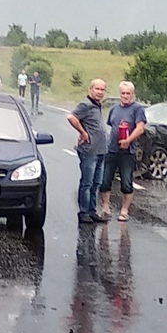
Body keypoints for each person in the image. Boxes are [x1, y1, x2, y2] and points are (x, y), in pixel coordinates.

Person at [68, 78, 112, 224]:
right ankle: (83, 212)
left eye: (102, 89)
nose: (100, 92)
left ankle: (92, 211)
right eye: (97, 89)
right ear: (90, 89)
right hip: (89, 150)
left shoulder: (97, 105)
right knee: (87, 183)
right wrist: (83, 132)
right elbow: (71, 117)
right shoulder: (85, 105)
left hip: (100, 150)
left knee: (96, 183)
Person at [106, 81, 148, 221]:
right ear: (120, 94)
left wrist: (128, 140)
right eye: (123, 93)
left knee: (126, 182)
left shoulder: (137, 109)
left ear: (132, 94)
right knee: (105, 180)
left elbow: (140, 128)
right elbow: (111, 126)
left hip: (128, 151)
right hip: (112, 149)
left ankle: (124, 210)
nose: (125, 96)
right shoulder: (114, 109)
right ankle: (105, 208)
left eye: (128, 93)